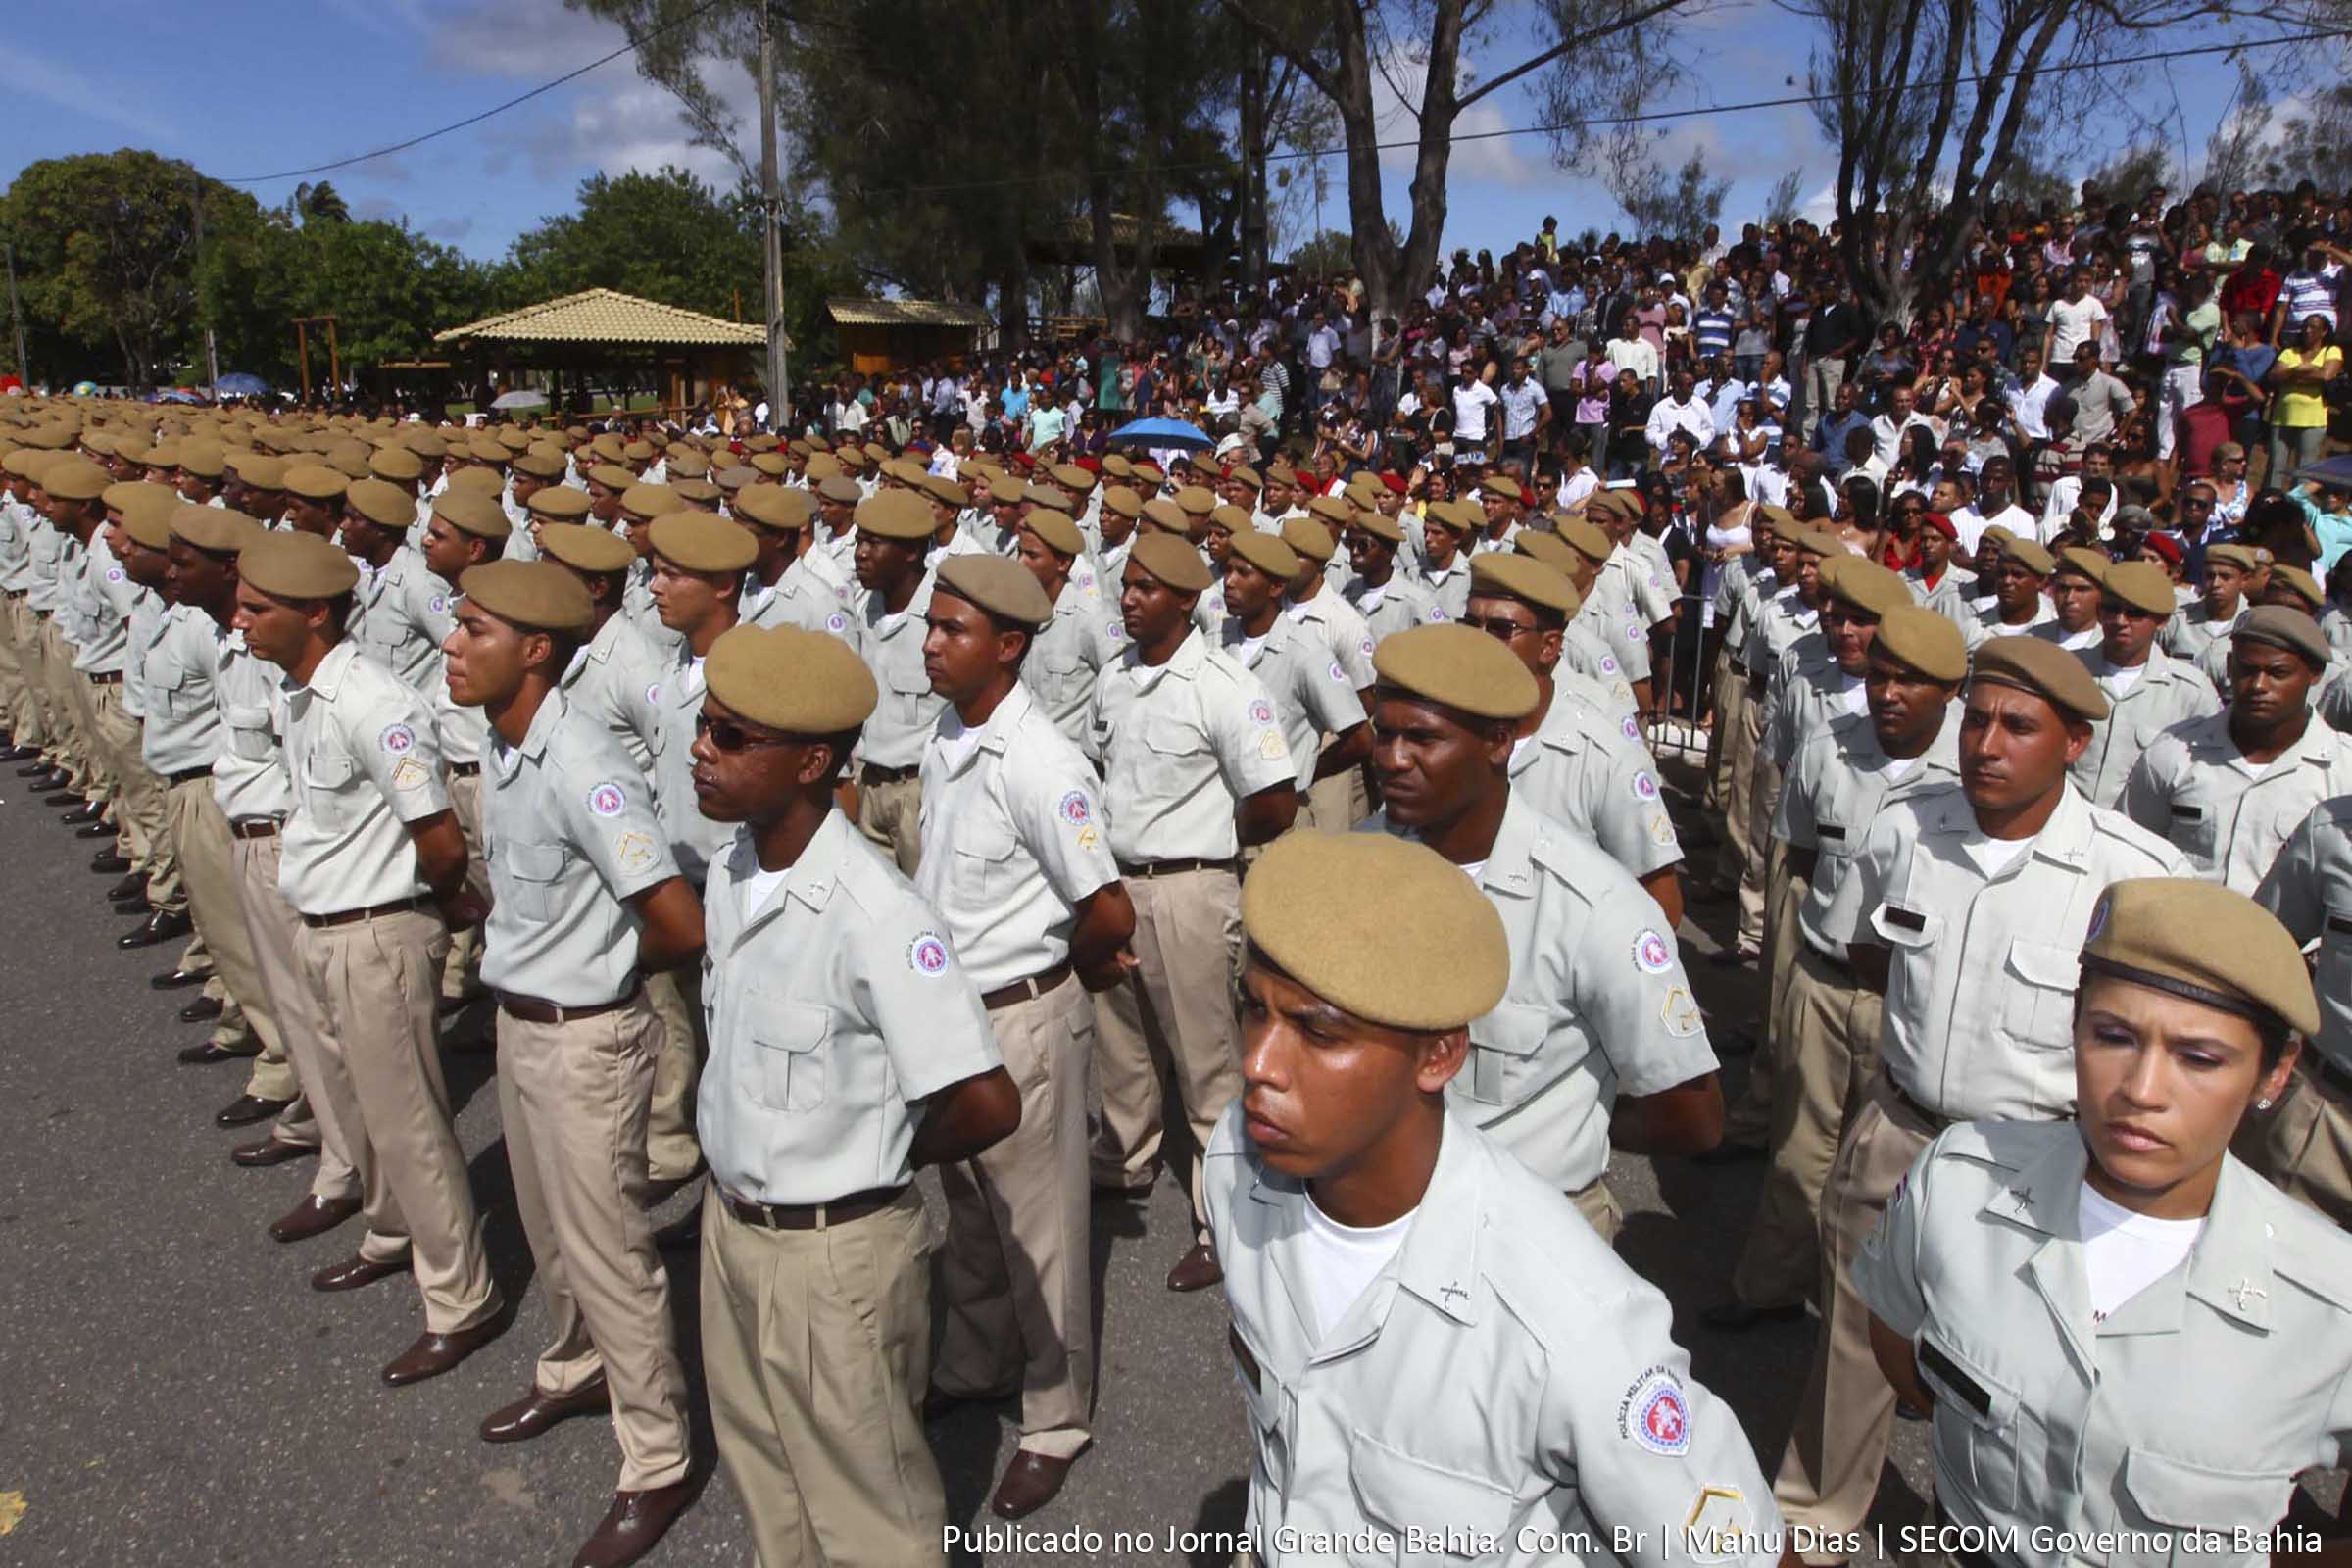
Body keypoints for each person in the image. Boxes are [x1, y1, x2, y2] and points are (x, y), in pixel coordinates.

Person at [1204, 830, 1790, 1568]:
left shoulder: (1569, 1324)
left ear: (1439, 1055)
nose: (1258, 1063)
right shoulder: (1235, 1164)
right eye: (1254, 1010)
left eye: (1317, 1033)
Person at [1770, 636, 2187, 1560]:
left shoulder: (2134, 875)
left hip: (2040, 1159)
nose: (1987, 745)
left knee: (2027, 1372)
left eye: (2019, 727)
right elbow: (1865, 946)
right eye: (1978, 720)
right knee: (1853, 1336)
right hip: (1901, 1127)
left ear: (2075, 742)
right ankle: (1812, 1514)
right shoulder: (1906, 829)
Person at [1854, 877, 2352, 1567]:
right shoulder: (1959, 1182)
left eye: (2199, 1058)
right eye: (2114, 1036)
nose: (2141, 1091)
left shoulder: (2332, 1300)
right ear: (2074, 1025)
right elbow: (1898, 1345)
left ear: (2275, 1073)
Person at [689, 622, 1021, 1568]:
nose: (702, 750)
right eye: (705, 725)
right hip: (732, 1230)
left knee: (874, 1518)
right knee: (770, 1485)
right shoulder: (732, 870)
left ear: (811, 763)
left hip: (833, 1254)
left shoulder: (879, 916)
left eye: (731, 737)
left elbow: (987, 1101)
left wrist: (874, 1151)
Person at [443, 560, 703, 1568]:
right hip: (523, 1022)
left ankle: (658, 1457)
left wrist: (604, 977)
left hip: (588, 1035)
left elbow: (676, 920)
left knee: (609, 1251)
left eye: (475, 630)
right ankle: (575, 1367)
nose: (453, 645)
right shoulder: (503, 745)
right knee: (549, 1227)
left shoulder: (584, 765)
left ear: (535, 650)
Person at [231, 529, 504, 1386]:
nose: (240, 620)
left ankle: (460, 1297)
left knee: (410, 1123)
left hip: (377, 930)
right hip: (323, 922)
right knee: (360, 1102)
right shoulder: (302, 693)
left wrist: (441, 905)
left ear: (314, 612)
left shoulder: (372, 703)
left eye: (257, 608)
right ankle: (391, 1230)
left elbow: (440, 838)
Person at [1361, 623, 1723, 1239]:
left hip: (1531, 1231)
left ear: (1498, 742)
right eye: (1385, 734)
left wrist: (1568, 1131)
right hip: (1382, 1212)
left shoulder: (1595, 907)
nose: (1392, 758)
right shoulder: (1361, 861)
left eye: (1422, 738)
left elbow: (1692, 1114)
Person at [912, 555, 1137, 1518]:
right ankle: (974, 1361)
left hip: (1021, 1012)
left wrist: (1060, 978)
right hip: (957, 1015)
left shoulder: (1040, 762)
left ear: (1008, 646)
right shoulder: (947, 732)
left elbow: (1109, 909)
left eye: (951, 630)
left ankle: (1054, 1417)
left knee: (1041, 1229)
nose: (930, 644)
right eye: (931, 625)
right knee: (969, 1207)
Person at [1708, 606, 1966, 1333]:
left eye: (1909, 681)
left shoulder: (1970, 775)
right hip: (1824, 983)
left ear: (1950, 690)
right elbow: (1798, 860)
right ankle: (1770, 1286)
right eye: (1880, 677)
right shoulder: (1829, 748)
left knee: (1889, 1180)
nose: (1888, 693)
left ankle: (1870, 1333)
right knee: (1799, 1155)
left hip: (1910, 1002)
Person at [1086, 532, 1298, 1292]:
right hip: (1119, 881)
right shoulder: (1115, 678)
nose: (1128, 599)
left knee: (1207, 1067)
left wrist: (1203, 837)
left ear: (1184, 601)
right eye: (1127, 585)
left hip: (1190, 888)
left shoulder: (1223, 684)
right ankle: (1125, 1160)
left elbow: (1274, 799)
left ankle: (1220, 1220)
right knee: (1124, 1045)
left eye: (1146, 589)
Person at [1463, 552, 1686, 926]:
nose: (1479, 643)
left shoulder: (1603, 757)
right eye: (1471, 626)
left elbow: (1661, 905)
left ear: (1549, 647)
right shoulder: (1445, 737)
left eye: (1502, 629)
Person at [2121, 607, 2352, 891]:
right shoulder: (2175, 752)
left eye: (2278, 673)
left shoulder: (2343, 771)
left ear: (2314, 674)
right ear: (2230, 666)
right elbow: (2130, 853)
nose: (2258, 686)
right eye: (2247, 670)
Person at [2067, 560, 2221, 808]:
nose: (2120, 621)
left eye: (2135, 613)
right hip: (2068, 816)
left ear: (2161, 621)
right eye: (2111, 610)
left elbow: (2204, 774)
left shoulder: (2190, 692)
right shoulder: (2068, 670)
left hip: (2139, 825)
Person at [847, 489, 943, 873]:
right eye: (859, 541)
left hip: (920, 793)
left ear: (911, 552)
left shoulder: (943, 616)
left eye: (874, 543)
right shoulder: (862, 606)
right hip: (868, 784)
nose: (861, 553)